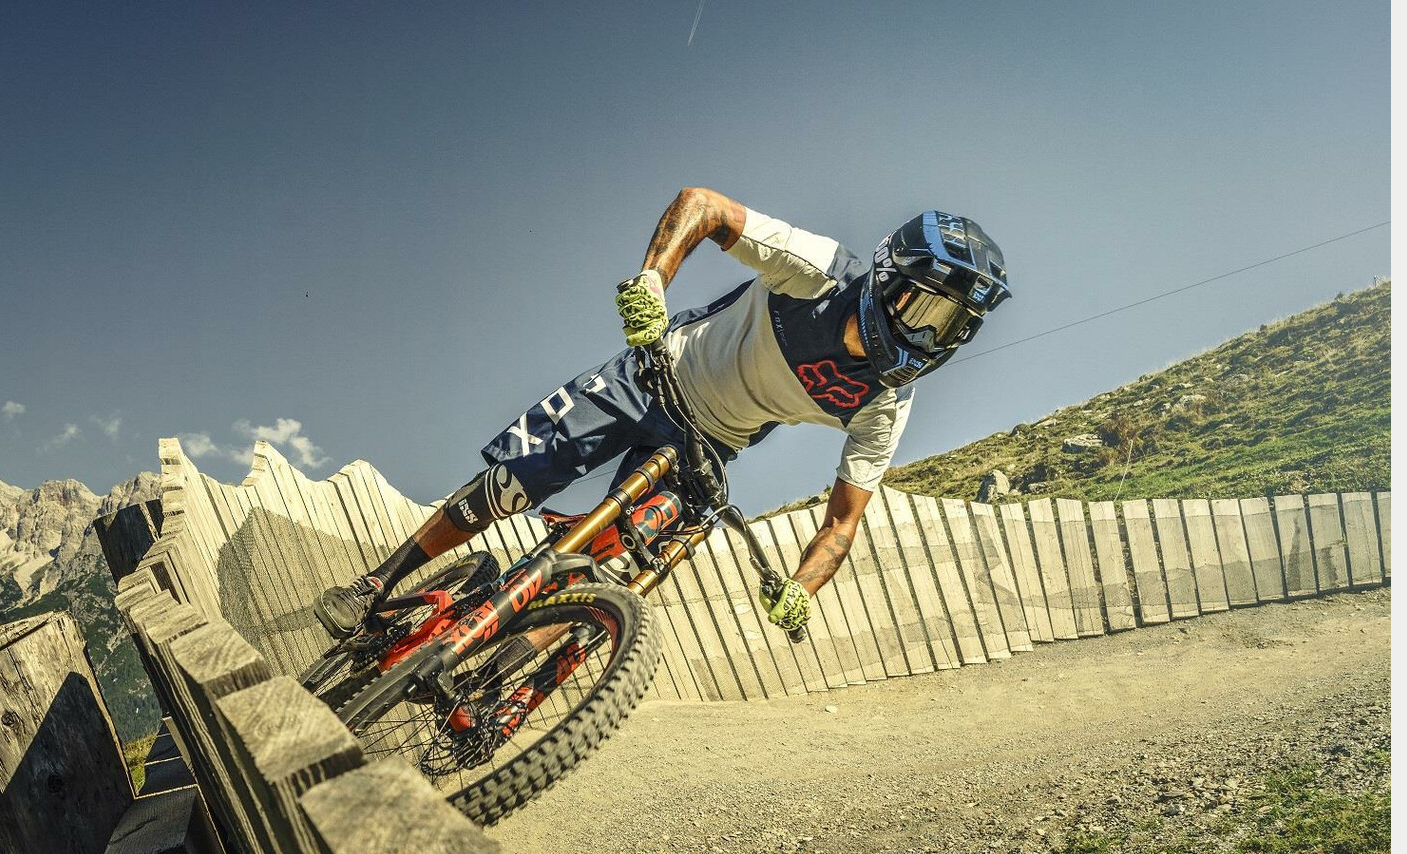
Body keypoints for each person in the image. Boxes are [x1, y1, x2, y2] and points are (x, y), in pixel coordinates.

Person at [313, 188, 1011, 639]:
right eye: (928, 309)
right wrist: (652, 280)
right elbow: (703, 206)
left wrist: (803, 588)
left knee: (600, 573)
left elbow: (841, 523)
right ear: (887, 280)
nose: (932, 337)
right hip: (652, 376)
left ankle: (498, 664)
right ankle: (378, 583)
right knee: (511, 485)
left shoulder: (885, 400)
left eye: (953, 327)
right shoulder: (824, 271)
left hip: (708, 448)